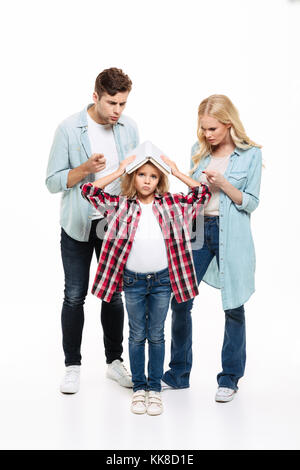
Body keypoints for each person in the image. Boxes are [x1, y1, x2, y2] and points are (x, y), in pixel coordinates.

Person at [80, 153, 210, 415]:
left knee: (157, 334)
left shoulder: (172, 203)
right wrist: (119, 171)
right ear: (133, 177)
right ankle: (139, 388)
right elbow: (88, 190)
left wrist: (175, 170)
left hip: (163, 281)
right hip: (133, 282)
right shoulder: (121, 205)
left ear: (159, 179)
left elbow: (202, 194)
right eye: (141, 175)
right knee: (137, 335)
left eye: (153, 176)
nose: (147, 181)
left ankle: (155, 389)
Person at [162, 94, 262, 402]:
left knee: (233, 305)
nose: (207, 135)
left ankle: (229, 378)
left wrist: (224, 185)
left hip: (232, 234)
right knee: (180, 298)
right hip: (199, 230)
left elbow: (251, 202)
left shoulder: (251, 155)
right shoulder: (199, 151)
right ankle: (178, 374)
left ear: (228, 124)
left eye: (213, 129)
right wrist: (180, 174)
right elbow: (195, 195)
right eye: (203, 128)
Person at [46, 68, 139, 394]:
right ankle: (72, 366)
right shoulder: (69, 129)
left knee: (114, 295)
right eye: (112, 102)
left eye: (123, 104)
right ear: (95, 96)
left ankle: (114, 362)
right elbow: (52, 182)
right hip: (77, 223)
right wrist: (85, 169)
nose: (117, 111)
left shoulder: (129, 128)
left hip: (113, 224)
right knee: (74, 295)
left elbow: (133, 174)